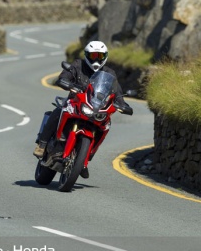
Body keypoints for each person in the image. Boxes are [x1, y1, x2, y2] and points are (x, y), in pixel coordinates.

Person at [33, 40, 132, 179]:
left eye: (100, 56)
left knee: (106, 125)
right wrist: (64, 81)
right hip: (76, 102)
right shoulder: (78, 65)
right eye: (93, 56)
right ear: (87, 55)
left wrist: (122, 104)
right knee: (60, 109)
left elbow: (117, 92)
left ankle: (85, 160)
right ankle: (42, 145)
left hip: (96, 108)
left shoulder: (110, 73)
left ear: (105, 57)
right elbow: (64, 77)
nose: (96, 59)